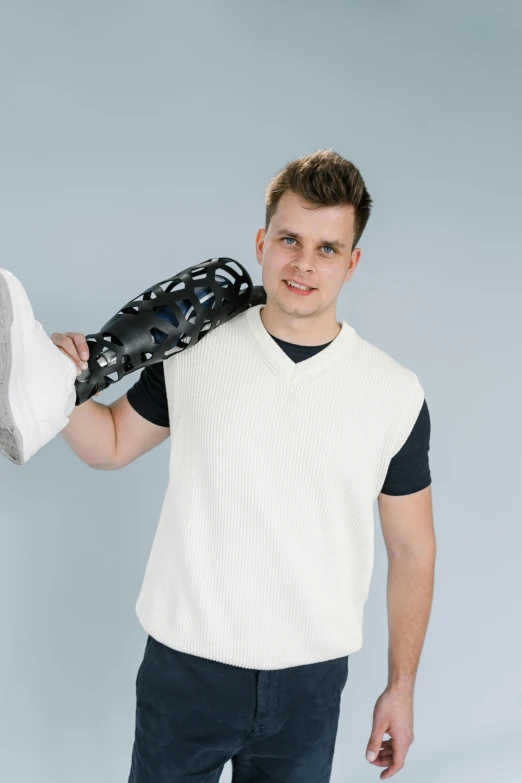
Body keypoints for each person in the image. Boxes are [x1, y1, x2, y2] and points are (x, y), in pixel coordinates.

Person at [11, 150, 437, 781]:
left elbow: (412, 551)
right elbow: (111, 444)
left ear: (352, 262)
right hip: (186, 670)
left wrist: (400, 688)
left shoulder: (395, 394)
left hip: (309, 688)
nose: (302, 263)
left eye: (327, 248)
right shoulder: (195, 350)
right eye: (290, 239)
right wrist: (54, 381)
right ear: (262, 241)